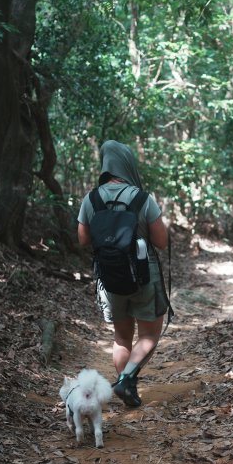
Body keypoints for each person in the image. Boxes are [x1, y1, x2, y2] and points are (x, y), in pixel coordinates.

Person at [77, 140, 169, 408]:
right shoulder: (142, 198)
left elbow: (83, 239)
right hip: (143, 274)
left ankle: (124, 383)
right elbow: (161, 241)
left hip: (109, 275)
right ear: (128, 164)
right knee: (150, 334)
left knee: (121, 337)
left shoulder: (91, 198)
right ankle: (126, 380)